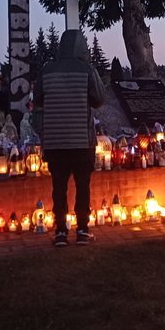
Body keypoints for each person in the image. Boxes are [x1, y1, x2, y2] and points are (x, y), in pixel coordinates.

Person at [34, 29, 106, 247]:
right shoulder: (86, 69)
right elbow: (99, 99)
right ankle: (83, 230)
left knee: (59, 187)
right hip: (81, 140)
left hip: (55, 141)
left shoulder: (46, 71)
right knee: (83, 186)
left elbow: (37, 100)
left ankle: (60, 232)